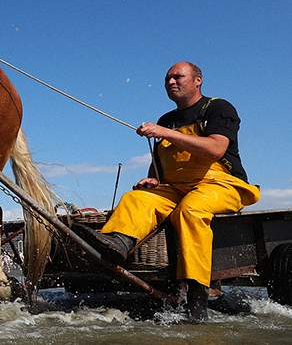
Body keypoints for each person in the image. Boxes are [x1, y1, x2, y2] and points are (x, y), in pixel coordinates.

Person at [75, 62, 260, 321]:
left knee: (191, 211)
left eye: (178, 76)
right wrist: (152, 181)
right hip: (173, 187)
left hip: (220, 184)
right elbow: (160, 165)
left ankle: (197, 300)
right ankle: (116, 245)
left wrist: (164, 133)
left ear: (198, 80)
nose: (171, 82)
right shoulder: (167, 120)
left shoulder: (218, 108)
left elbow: (216, 148)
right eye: (167, 78)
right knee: (136, 198)